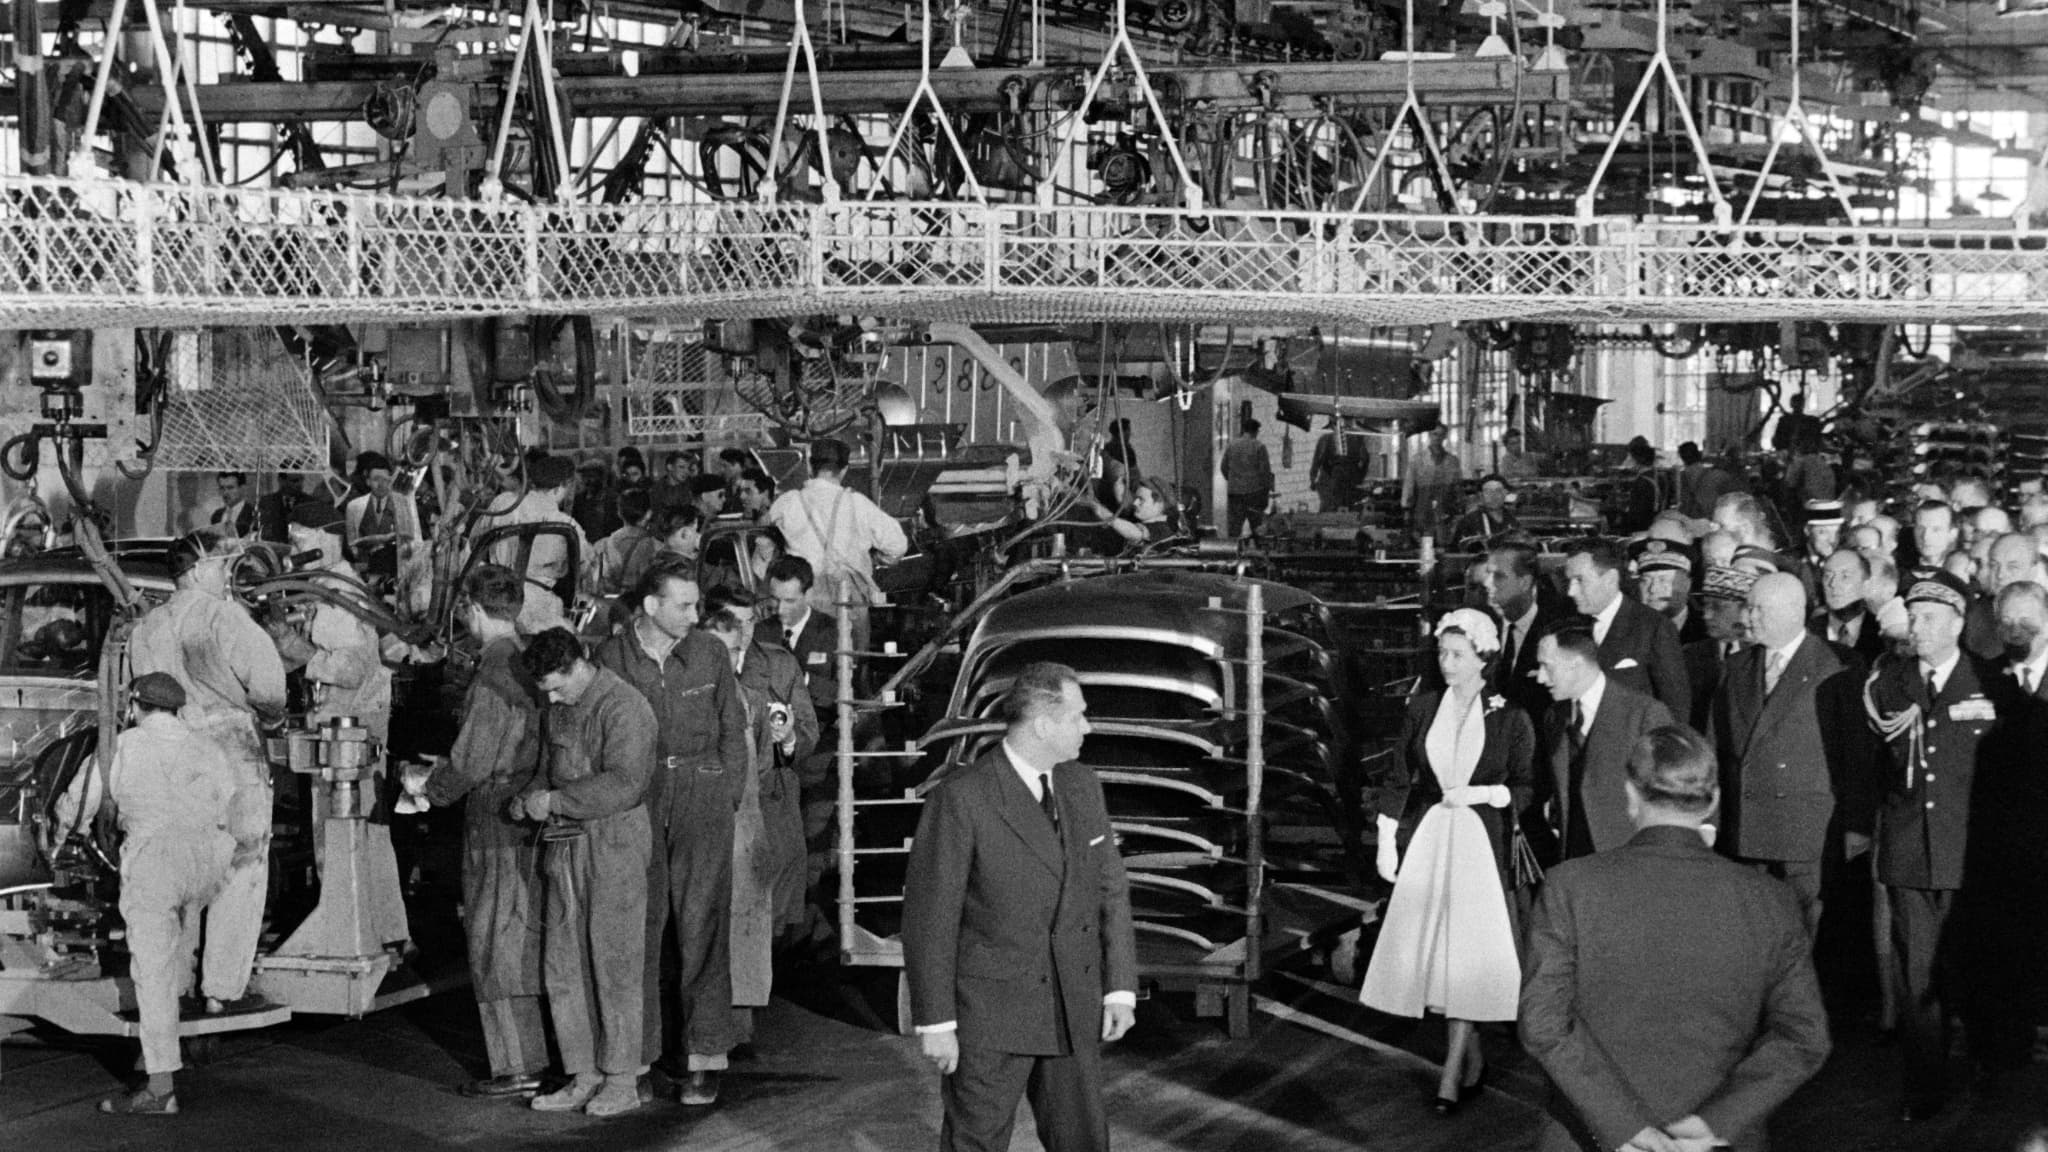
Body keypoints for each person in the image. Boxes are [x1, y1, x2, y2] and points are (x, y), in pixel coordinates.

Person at [1519, 725, 1830, 1152]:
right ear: (1713, 802)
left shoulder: (1569, 886)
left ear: (1631, 795)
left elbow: (1543, 1025)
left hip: (1585, 1136)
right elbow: (1804, 1037)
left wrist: (1623, 1125)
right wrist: (1718, 1121)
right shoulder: (1770, 900)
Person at [902, 662, 1137, 1152]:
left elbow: (1110, 891)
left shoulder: (1082, 786)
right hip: (990, 1018)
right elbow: (930, 919)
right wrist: (937, 1022)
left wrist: (1119, 988)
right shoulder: (963, 798)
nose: (1088, 727)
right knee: (976, 1143)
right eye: (1078, 716)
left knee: (1084, 1143)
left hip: (1072, 1007)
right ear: (1043, 725)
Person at [1361, 609, 1533, 1112]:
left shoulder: (1510, 715)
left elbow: (1527, 786)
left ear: (1484, 658)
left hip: (1482, 844)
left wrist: (1487, 794)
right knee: (1437, 954)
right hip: (1434, 840)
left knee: (1468, 955)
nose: (1447, 662)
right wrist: (1387, 836)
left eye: (1458, 654)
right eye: (1442, 652)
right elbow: (1400, 774)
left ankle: (1452, 1073)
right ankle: (1470, 1056)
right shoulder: (1423, 707)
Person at [592, 563, 749, 1106]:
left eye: (695, 603)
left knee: (703, 925)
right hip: (639, 796)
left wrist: (726, 793)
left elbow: (733, 729)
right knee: (638, 927)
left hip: (702, 793)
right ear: (650, 606)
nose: (694, 613)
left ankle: (705, 1056)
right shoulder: (612, 657)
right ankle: (636, 1058)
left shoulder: (710, 652)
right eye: (683, 604)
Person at [57, 674, 245, 1116]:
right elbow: (228, 802)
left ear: (135, 707)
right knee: (180, 935)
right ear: (177, 709)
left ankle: (161, 1089)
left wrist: (60, 836)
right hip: (210, 858)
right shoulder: (208, 746)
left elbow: (79, 804)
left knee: (153, 968)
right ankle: (162, 1041)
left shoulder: (123, 745)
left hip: (157, 857)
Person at [1863, 570, 2006, 1122]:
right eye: (1913, 617)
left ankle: (1990, 1071)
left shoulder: (1989, 681)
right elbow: (1878, 767)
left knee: (1975, 971)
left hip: (1969, 852)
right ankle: (1924, 1087)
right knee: (1916, 977)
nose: (1917, 628)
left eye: (1929, 618)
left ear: (1958, 623)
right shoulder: (1888, 684)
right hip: (1909, 853)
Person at [127, 531, 287, 1017]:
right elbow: (269, 687)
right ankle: (221, 987)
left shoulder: (146, 627)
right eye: (221, 564)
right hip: (229, 747)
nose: (226, 574)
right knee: (241, 861)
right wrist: (272, 719)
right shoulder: (223, 616)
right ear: (197, 570)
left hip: (170, 752)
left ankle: (174, 982)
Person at [413, 566, 548, 1099]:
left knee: (495, 940)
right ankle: (534, 1056)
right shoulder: (529, 660)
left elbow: (472, 760)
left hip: (494, 818)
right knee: (521, 933)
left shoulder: (493, 673)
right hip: (527, 810)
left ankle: (517, 1066)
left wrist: (429, 787)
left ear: (471, 609)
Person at [514, 628, 657, 1118]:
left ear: (580, 664)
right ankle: (584, 1074)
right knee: (565, 962)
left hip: (614, 842)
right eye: (546, 692)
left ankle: (621, 1080)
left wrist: (554, 801)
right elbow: (548, 767)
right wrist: (529, 797)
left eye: (557, 687)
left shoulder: (625, 706)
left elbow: (625, 783)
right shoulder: (559, 705)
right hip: (567, 842)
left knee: (615, 962)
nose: (552, 699)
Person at [701, 587, 816, 1040]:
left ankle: (743, 1013)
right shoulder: (700, 665)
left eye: (750, 621)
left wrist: (789, 740)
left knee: (762, 913)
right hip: (717, 804)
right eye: (733, 621)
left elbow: (808, 730)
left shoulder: (779, 665)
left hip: (768, 801)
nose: (744, 631)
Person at [1705, 573, 1846, 935]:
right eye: (1747, 607)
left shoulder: (1833, 666)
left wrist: (1855, 825)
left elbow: (1852, 756)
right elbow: (1715, 750)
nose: (1748, 617)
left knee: (1798, 939)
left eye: (1759, 609)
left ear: (1794, 611)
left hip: (1801, 833)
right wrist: (1709, 819)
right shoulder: (1736, 667)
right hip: (1743, 829)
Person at [1533, 621, 1676, 862]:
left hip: (1630, 857)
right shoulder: (1554, 717)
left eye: (1547, 666)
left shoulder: (1644, 713)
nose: (1540, 678)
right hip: (1575, 859)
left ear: (1576, 665)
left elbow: (1671, 791)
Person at [765, 438, 909, 654]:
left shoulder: (788, 502)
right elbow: (898, 545)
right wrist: (879, 559)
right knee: (850, 661)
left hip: (803, 599)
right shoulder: (858, 503)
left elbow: (762, 537)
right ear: (844, 470)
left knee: (803, 660)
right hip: (849, 601)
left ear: (810, 466)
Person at [1563, 539, 1689, 715]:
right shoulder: (1567, 626)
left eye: (1579, 580)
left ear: (1610, 579)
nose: (1571, 591)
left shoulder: (1653, 627)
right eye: (1569, 581)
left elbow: (1675, 707)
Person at [1485, 543, 1559, 718]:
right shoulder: (1480, 626)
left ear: (1524, 582)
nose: (1487, 583)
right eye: (1488, 574)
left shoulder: (1555, 634)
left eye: (1499, 576)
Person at [1684, 565, 1755, 730]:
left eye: (1718, 607)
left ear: (1744, 609)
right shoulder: (1690, 656)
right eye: (1705, 605)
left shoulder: (1759, 657)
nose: (1706, 615)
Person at [343, 451, 423, 587]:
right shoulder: (354, 502)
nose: (381, 484)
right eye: (376, 479)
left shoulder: (398, 501)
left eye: (385, 480)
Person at [1813, 548, 1885, 669]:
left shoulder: (1881, 633)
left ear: (1866, 585)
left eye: (1845, 576)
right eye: (1827, 576)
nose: (1833, 584)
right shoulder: (1810, 632)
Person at [594, 489, 662, 600]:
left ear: (619, 513)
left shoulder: (601, 546)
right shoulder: (658, 548)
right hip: (641, 604)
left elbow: (593, 583)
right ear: (649, 514)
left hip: (610, 604)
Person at [1630, 540, 1699, 644]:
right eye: (1646, 581)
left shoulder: (1707, 631)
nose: (1653, 589)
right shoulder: (1627, 629)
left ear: (1687, 584)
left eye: (1663, 580)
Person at [1402, 424, 1463, 542]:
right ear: (1429, 435)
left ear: (1445, 436)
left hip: (1446, 509)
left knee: (1445, 542)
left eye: (1441, 435)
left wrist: (1459, 509)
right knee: (1424, 543)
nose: (1437, 437)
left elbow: (1458, 487)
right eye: (1435, 434)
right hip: (1422, 509)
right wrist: (1406, 511)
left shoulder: (1452, 461)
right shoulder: (1417, 460)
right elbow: (1409, 486)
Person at [1219, 418, 1274, 540]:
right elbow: (1264, 472)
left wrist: (1233, 480)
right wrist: (1266, 491)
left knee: (1234, 528)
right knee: (1257, 528)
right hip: (1254, 493)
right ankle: (1257, 549)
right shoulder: (1259, 447)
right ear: (1256, 431)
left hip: (1235, 493)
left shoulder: (1231, 445)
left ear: (1243, 430)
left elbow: (1223, 467)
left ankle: (1233, 548)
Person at [1309, 417, 1365, 511]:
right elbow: (1364, 459)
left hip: (1335, 481)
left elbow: (1317, 460)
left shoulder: (1326, 439)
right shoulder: (1355, 438)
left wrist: (1313, 480)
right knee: (1343, 508)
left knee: (1332, 508)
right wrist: (1359, 477)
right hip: (1340, 481)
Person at [1450, 475, 1519, 550]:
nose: (1493, 496)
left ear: (1505, 493)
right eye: (1488, 492)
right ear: (1481, 495)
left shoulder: (1513, 520)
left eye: (1498, 491)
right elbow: (1455, 553)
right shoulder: (1469, 522)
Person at [1675, 442, 1736, 522]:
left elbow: (1684, 501)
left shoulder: (1684, 475)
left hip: (1695, 518)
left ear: (1682, 457)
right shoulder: (1716, 473)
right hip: (1714, 515)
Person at [1615, 438, 1661, 535]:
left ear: (1637, 460)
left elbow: (1637, 514)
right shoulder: (1656, 476)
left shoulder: (1643, 482)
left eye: (1630, 458)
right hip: (1655, 525)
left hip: (1641, 530)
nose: (1626, 461)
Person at [209, 471, 258, 540]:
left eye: (230, 488)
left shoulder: (253, 514)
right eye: (222, 488)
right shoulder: (216, 515)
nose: (225, 493)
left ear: (242, 488)